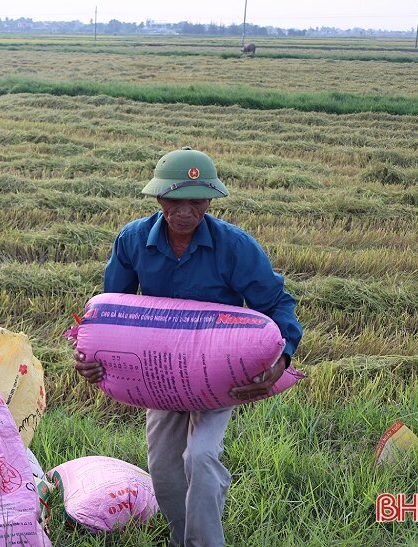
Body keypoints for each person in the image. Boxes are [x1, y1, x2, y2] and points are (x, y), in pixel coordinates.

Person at [74, 147, 302, 547]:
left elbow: (276, 302)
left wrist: (282, 359)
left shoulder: (234, 247)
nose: (185, 212)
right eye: (176, 201)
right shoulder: (132, 241)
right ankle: (183, 539)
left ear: (209, 201)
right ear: (159, 199)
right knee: (163, 467)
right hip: (162, 375)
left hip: (218, 374)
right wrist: (92, 359)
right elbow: (112, 314)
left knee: (200, 456)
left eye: (196, 201)